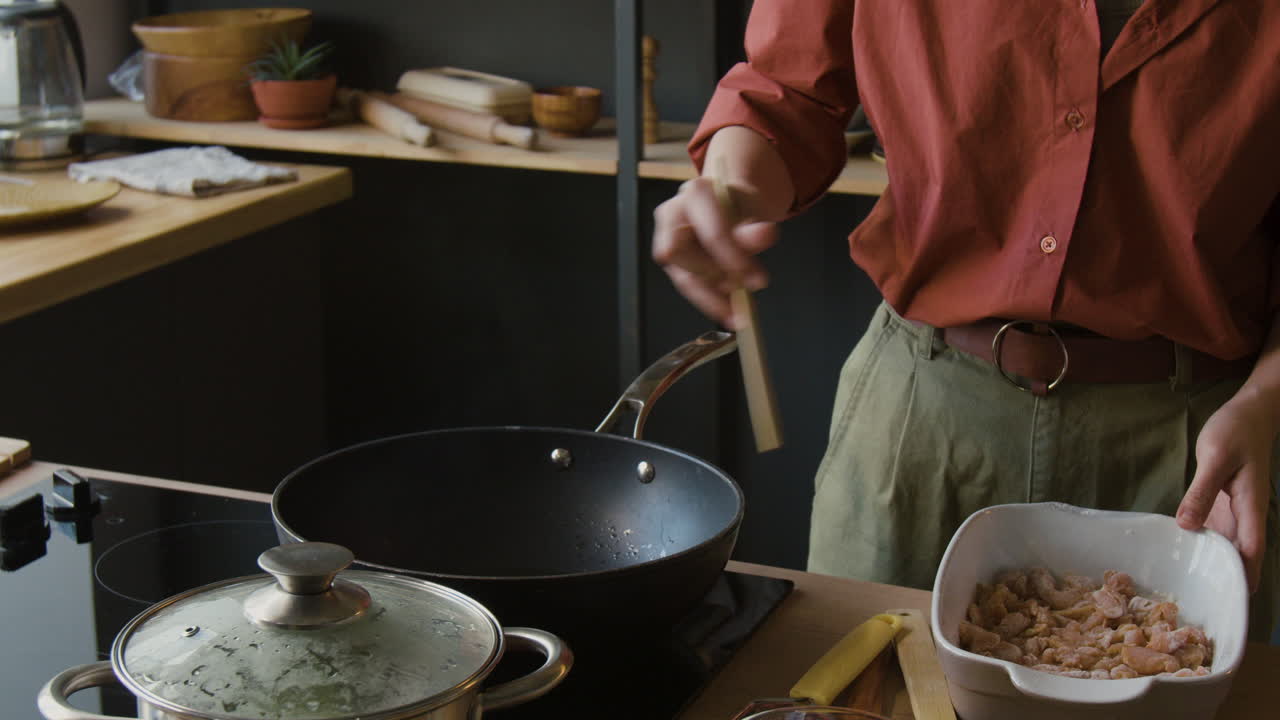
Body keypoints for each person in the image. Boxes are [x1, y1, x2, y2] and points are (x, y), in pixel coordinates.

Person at [651, 0, 1280, 642]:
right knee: (864, 691)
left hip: (1193, 443)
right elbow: (785, 92)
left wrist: (1266, 398)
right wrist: (729, 188)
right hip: (925, 416)